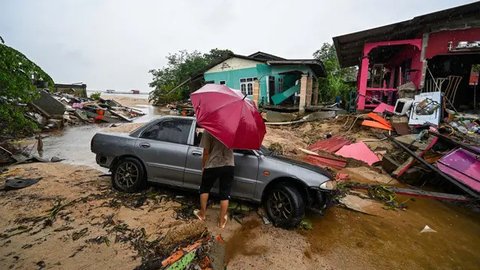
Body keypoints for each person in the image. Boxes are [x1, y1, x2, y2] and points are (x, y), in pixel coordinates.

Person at [194, 130, 234, 228]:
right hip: (228, 165)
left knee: (205, 189)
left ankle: (202, 214)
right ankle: (221, 222)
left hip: (212, 164)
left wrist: (203, 166)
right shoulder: (232, 130)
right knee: (225, 193)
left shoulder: (209, 130)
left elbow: (206, 152)